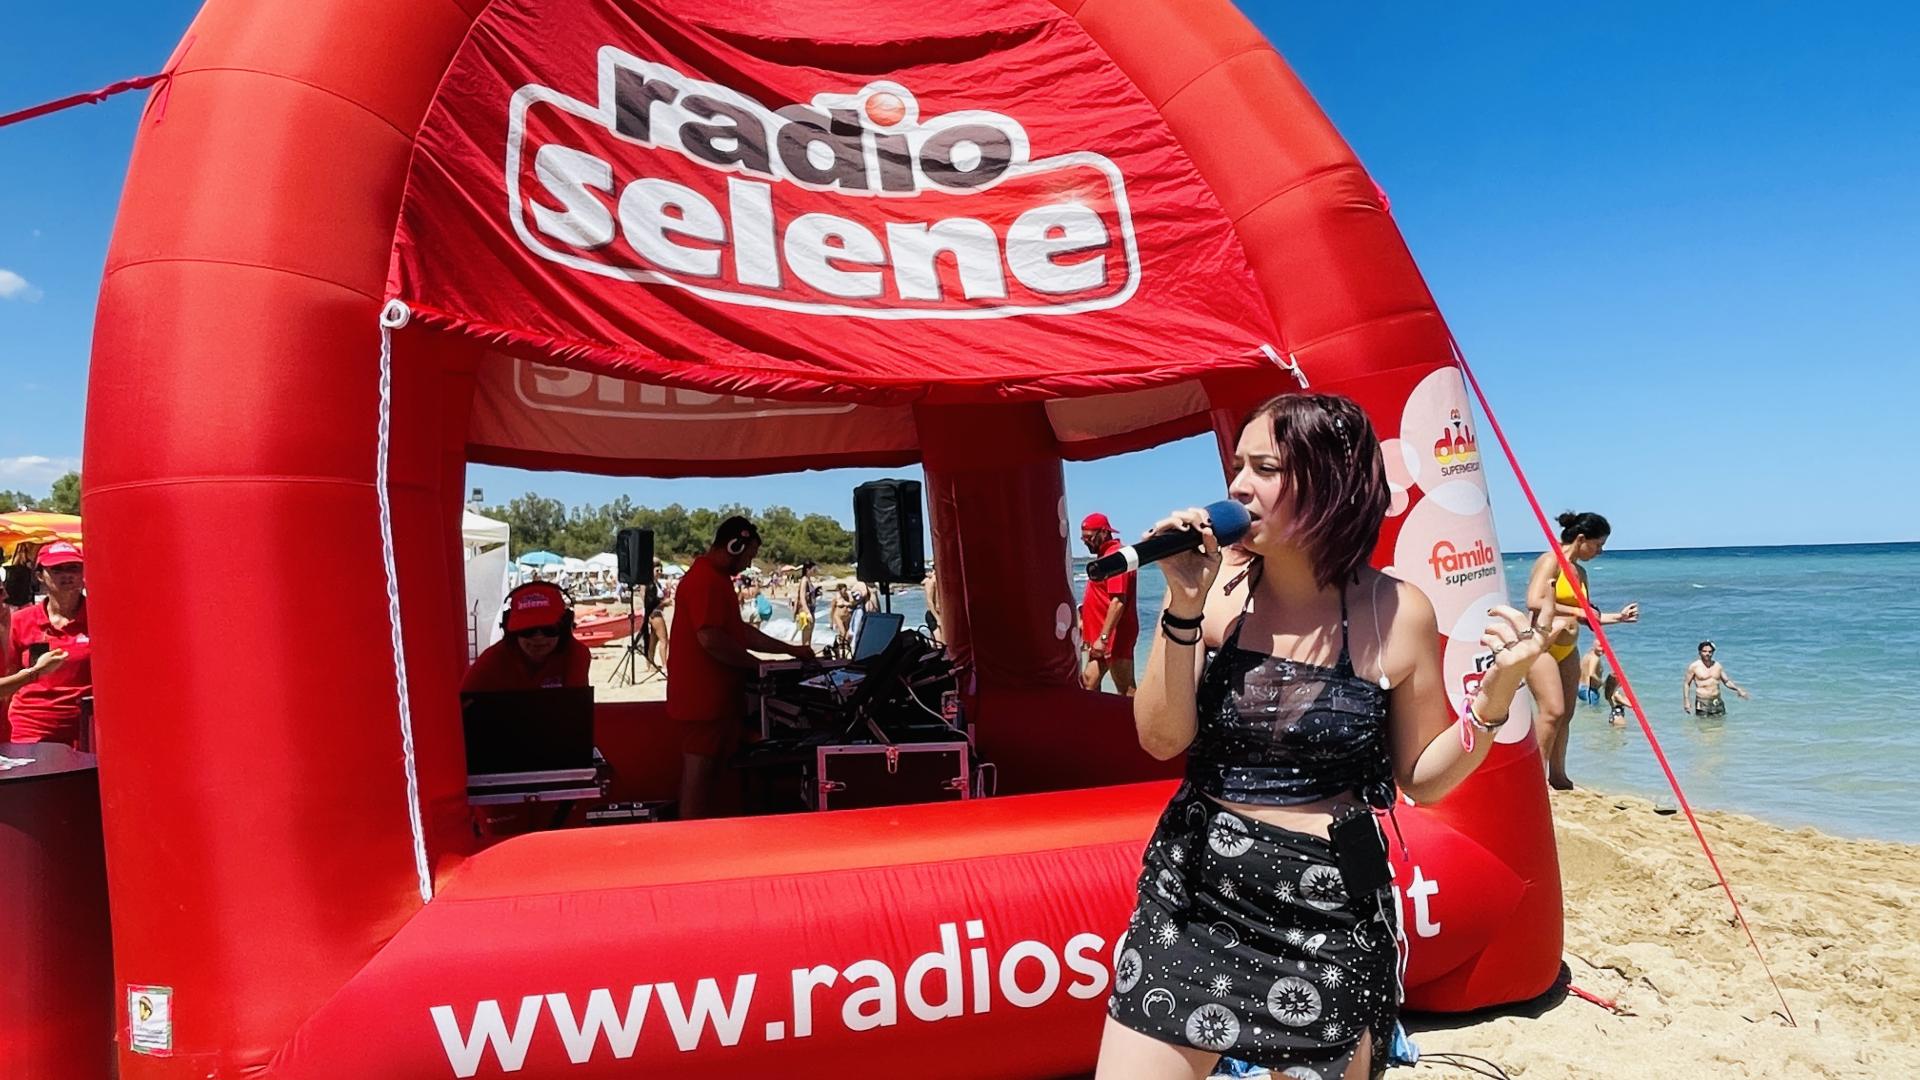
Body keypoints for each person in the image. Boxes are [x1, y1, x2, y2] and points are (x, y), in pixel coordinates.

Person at [1098, 394, 1560, 1080]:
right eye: (1236, 467)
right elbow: (1162, 739)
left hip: (1327, 908)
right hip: (1194, 892)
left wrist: (1491, 703)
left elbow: (1422, 778)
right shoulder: (1212, 591)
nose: (1238, 486)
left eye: (1264, 468)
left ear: (1331, 484)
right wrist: (1183, 607)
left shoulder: (1395, 610)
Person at [669, 517, 813, 819]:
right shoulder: (705, 580)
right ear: (734, 546)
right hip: (702, 703)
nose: (748, 564)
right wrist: (756, 665)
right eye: (749, 555)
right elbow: (710, 639)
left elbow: (739, 633)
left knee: (706, 785)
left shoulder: (716, 579)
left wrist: (790, 650)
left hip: (713, 703)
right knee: (698, 786)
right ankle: (688, 842)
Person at [1523, 511, 1639, 790]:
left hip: (1568, 648)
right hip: (1542, 645)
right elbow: (1534, 601)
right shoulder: (1551, 561)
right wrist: (1578, 611)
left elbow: (1587, 615)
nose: (1600, 551)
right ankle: (1534, 778)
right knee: (1552, 712)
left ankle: (1558, 775)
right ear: (1581, 538)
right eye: (1598, 545)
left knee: (1566, 715)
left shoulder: (1580, 572)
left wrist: (1618, 617)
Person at [1, 542, 94, 746]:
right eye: (57, 569)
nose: (66, 575)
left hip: (85, 730)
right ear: (40, 576)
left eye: (73, 568)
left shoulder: (99, 620)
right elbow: (8, 678)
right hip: (29, 730)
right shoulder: (21, 621)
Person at [461, 581, 591, 693]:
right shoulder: (492, 659)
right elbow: (463, 702)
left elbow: (576, 707)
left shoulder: (577, 654)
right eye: (528, 630)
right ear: (511, 632)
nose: (538, 638)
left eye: (549, 629)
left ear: (564, 629)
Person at [1080, 512, 1140, 696]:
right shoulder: (1104, 557)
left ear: (1104, 533)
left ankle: (1139, 715)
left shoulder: (1115, 558)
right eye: (1083, 538)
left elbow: (1118, 601)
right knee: (1088, 684)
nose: (1086, 542)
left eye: (1089, 537)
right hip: (1100, 635)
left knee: (1125, 688)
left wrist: (1104, 638)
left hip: (1115, 636)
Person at [1684, 640, 1749, 717]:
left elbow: (1726, 681)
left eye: (1710, 651)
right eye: (1704, 651)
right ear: (1700, 652)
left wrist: (1738, 689)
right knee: (1703, 723)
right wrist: (1686, 701)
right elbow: (1687, 684)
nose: (1707, 653)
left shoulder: (1717, 665)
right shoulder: (1694, 666)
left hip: (1717, 701)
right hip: (1702, 702)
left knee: (1721, 722)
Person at [643, 560, 672, 676]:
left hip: (654, 613)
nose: (659, 572)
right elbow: (650, 602)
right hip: (655, 614)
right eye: (657, 570)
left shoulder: (656, 584)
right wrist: (664, 602)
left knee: (653, 641)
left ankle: (650, 664)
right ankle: (665, 666)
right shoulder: (650, 584)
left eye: (660, 570)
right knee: (664, 640)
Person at [793, 561, 818, 647]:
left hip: (810, 609)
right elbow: (802, 597)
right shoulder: (804, 580)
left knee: (809, 636)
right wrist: (808, 612)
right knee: (806, 637)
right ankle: (805, 652)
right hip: (805, 611)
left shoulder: (808, 580)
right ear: (808, 569)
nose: (815, 571)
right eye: (813, 569)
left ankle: (808, 652)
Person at [830, 584, 855, 659]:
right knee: (843, 632)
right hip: (838, 617)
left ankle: (844, 647)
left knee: (847, 633)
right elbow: (832, 610)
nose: (845, 591)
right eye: (844, 590)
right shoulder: (836, 598)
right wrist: (831, 622)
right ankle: (840, 647)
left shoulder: (847, 596)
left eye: (846, 590)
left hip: (847, 616)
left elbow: (852, 604)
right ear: (840, 590)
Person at [922, 565, 942, 642]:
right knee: (939, 643)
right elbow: (929, 601)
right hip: (933, 614)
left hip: (940, 614)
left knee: (938, 642)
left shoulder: (940, 581)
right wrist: (937, 618)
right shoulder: (930, 582)